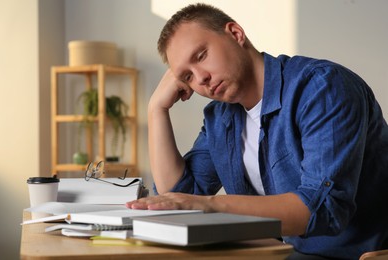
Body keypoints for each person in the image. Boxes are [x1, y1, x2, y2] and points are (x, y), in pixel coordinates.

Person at [126, 3, 388, 259]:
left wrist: (210, 206)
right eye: (187, 77)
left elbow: (323, 210)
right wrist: (156, 109)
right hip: (285, 252)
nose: (200, 78)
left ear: (235, 34)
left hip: (360, 253)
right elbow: (181, 197)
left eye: (201, 55)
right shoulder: (220, 117)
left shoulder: (322, 87)